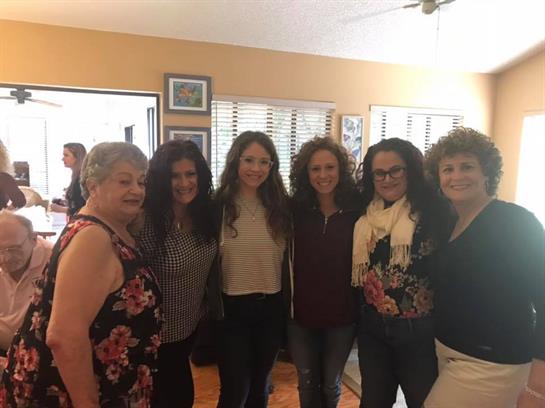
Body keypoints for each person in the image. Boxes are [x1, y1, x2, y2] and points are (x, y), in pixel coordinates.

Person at [0, 142, 162, 407]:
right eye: (124, 181)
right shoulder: (93, 238)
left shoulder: (107, 227)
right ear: (93, 186)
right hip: (73, 392)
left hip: (107, 382)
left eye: (141, 182)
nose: (136, 189)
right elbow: (64, 336)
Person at [423, 127, 545, 408]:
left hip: (493, 363)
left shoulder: (514, 222)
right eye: (448, 169)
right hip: (451, 353)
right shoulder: (450, 223)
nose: (456, 176)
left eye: (467, 167)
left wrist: (538, 386)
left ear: (487, 173)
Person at [352, 138, 449, 408]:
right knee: (373, 401)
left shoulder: (434, 212)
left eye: (396, 170)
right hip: (372, 330)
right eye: (379, 173)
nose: (387, 179)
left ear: (411, 171)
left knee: (423, 401)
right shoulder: (365, 215)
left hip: (419, 333)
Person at [210, 130, 292, 408]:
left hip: (271, 309)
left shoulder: (282, 207)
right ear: (236, 161)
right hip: (231, 311)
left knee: (260, 388)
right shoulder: (217, 206)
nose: (256, 169)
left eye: (264, 162)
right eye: (249, 160)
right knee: (235, 390)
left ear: (272, 166)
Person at [138, 140, 217, 407]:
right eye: (175, 175)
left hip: (189, 330)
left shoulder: (205, 213)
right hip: (155, 339)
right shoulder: (144, 220)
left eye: (190, 174)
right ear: (161, 179)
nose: (184, 183)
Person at [288, 136, 361, 408]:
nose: (323, 175)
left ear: (341, 170)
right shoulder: (294, 210)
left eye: (329, 167)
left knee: (331, 385)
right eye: (315, 169)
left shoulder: (358, 211)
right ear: (305, 173)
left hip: (342, 317)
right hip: (301, 317)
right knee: (307, 385)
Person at [0, 211, 53, 354]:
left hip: (38, 350)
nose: (5, 258)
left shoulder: (54, 261)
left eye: (13, 249)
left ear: (33, 239)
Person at [50, 143, 87, 218]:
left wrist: (61, 209)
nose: (62, 159)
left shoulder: (81, 179)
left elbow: (82, 209)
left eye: (66, 155)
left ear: (77, 158)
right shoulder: (75, 176)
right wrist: (66, 202)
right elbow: (77, 201)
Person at [0, 140, 26, 210]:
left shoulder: (3, 178)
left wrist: (4, 214)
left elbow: (20, 201)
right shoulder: (4, 178)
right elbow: (20, 201)